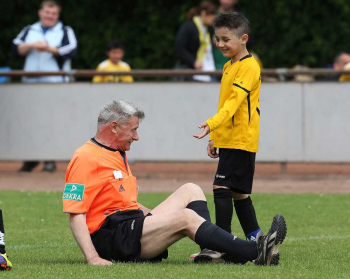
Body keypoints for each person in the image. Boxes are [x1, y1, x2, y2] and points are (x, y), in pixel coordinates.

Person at [62, 99, 287, 266]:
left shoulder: (116, 153)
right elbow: (75, 213)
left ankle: (212, 250)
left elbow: (124, 204)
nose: (137, 137)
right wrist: (92, 258)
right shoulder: (85, 157)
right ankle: (255, 251)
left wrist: (159, 221)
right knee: (186, 217)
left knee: (191, 190)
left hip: (129, 229)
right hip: (112, 239)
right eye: (133, 130)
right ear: (113, 127)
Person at [193, 13, 264, 263]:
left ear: (243, 39)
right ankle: (260, 243)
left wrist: (211, 125)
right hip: (231, 139)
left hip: (240, 139)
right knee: (238, 194)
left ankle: (221, 247)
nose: (221, 44)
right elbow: (226, 104)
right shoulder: (229, 65)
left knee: (221, 187)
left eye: (226, 39)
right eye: (217, 39)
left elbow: (234, 104)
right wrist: (217, 138)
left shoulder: (249, 66)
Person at [12, 0, 77, 172]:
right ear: (40, 12)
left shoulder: (65, 30)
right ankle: (31, 158)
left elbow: (71, 50)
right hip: (30, 84)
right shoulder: (29, 30)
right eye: (48, 12)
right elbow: (16, 48)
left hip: (54, 84)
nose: (50, 16)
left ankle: (50, 158)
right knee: (29, 121)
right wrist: (33, 45)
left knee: (52, 121)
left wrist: (49, 49)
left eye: (54, 13)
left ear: (58, 15)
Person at [174, 1, 217, 82]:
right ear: (203, 13)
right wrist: (193, 62)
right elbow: (179, 48)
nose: (214, 18)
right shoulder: (188, 27)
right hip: (193, 73)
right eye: (212, 14)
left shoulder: (210, 29)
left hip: (209, 71)